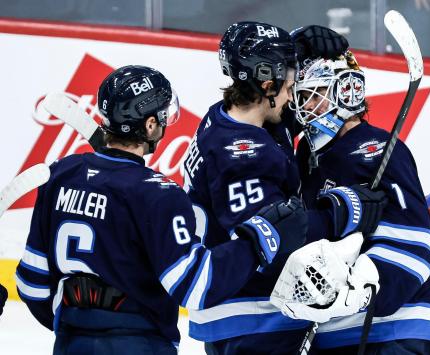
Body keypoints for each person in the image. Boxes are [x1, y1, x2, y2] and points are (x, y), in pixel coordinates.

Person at [15, 65, 309, 355]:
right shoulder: (157, 193)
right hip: (138, 342)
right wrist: (259, 239)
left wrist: (77, 326)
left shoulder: (61, 175)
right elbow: (196, 285)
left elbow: (32, 285)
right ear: (151, 125)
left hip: (69, 340)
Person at [183, 21, 387, 354]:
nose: (295, 97)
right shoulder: (243, 156)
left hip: (234, 316)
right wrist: (344, 210)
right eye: (291, 87)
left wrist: (303, 43)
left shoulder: (224, 118)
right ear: (267, 85)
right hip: (253, 316)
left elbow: (294, 115)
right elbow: (276, 236)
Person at [284, 26, 430, 354]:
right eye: (300, 96)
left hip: (396, 330)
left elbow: (417, 243)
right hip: (337, 332)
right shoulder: (307, 155)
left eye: (312, 95)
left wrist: (368, 282)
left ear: (345, 93)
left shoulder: (376, 149)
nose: (300, 106)